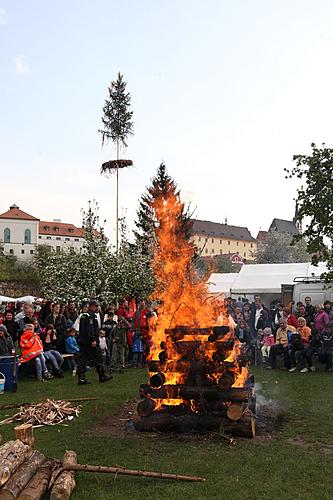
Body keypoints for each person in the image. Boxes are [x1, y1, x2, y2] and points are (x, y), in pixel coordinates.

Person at [77, 300, 112, 385]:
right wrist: (93, 339)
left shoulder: (83, 316)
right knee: (98, 358)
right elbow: (90, 329)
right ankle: (102, 376)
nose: (97, 308)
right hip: (89, 342)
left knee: (83, 360)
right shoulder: (90, 316)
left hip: (83, 342)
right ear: (91, 306)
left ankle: (81, 378)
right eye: (96, 306)